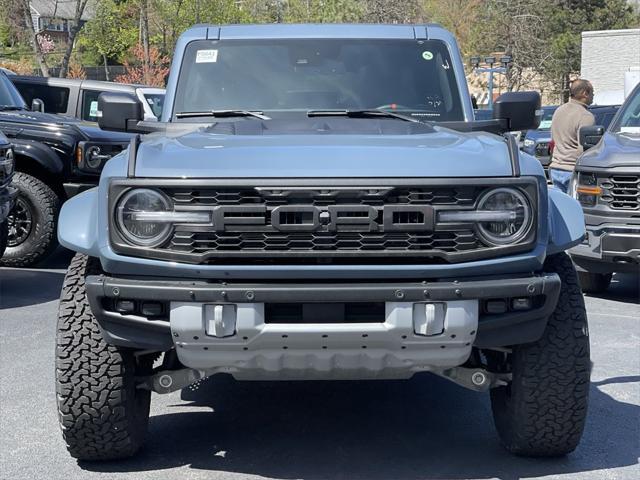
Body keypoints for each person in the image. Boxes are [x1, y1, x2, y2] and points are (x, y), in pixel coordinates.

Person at [548, 79, 595, 193]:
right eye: (592, 92)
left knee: (560, 208)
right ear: (585, 93)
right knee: (575, 208)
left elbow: (553, 140)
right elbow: (585, 148)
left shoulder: (559, 110)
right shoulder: (586, 116)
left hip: (555, 168)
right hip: (572, 170)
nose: (593, 95)